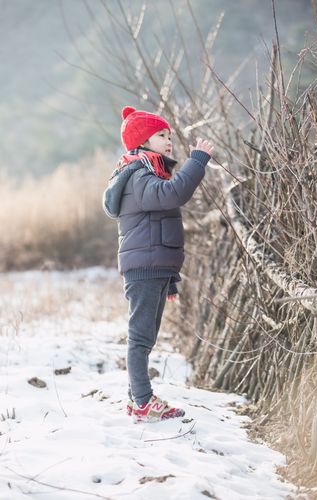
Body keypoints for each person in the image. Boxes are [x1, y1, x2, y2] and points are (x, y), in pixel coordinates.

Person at [103, 106, 214, 423]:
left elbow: (157, 229)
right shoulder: (139, 175)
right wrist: (196, 161)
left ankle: (136, 399)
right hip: (144, 270)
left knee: (145, 338)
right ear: (142, 141)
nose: (169, 140)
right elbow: (173, 194)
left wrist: (170, 280)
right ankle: (141, 401)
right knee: (140, 339)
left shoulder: (148, 173)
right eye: (161, 135)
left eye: (168, 135)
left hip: (154, 270)